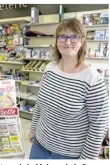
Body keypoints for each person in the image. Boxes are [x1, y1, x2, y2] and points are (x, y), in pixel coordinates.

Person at [28, 18, 109, 159]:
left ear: (82, 41)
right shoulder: (49, 68)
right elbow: (40, 103)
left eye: (74, 37)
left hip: (68, 155)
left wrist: (86, 160)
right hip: (39, 145)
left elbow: (99, 126)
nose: (68, 42)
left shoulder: (92, 80)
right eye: (63, 36)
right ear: (57, 40)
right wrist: (33, 129)